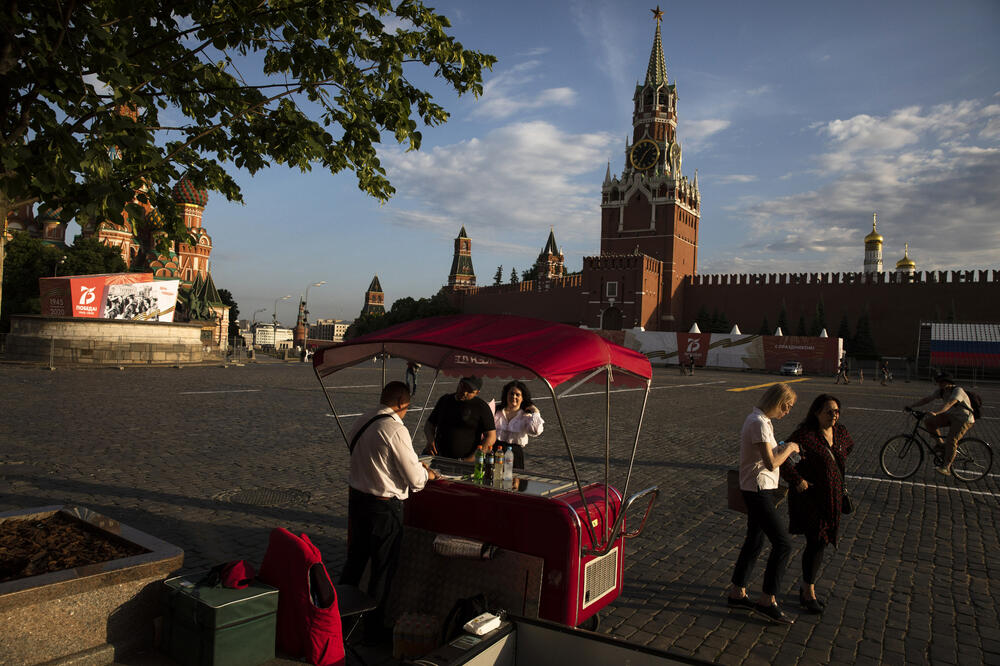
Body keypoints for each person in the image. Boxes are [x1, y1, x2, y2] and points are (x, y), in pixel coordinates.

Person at [339, 381, 437, 644]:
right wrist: (427, 474)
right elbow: (415, 479)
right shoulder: (395, 429)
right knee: (382, 569)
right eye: (407, 407)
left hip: (358, 501)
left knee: (354, 564)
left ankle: (337, 620)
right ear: (402, 403)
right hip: (383, 508)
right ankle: (374, 629)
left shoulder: (362, 419)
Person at [728, 382, 800, 624]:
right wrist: (789, 448)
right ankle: (767, 600)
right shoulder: (758, 423)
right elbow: (770, 463)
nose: (787, 411)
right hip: (758, 489)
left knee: (755, 540)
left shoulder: (762, 421)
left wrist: (782, 447)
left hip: (760, 488)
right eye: (786, 406)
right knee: (783, 544)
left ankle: (737, 592)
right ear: (777, 402)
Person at [780, 394, 855, 614]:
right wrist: (798, 480)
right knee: (816, 540)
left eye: (837, 411)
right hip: (811, 498)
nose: (834, 415)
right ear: (816, 412)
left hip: (832, 497)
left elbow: (847, 448)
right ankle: (808, 591)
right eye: (829, 411)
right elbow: (783, 460)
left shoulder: (840, 432)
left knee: (821, 542)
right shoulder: (804, 436)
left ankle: (807, 587)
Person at [908, 372, 975, 475]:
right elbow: (927, 399)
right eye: (938, 382)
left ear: (948, 382)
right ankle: (940, 445)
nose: (938, 384)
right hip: (951, 416)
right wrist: (911, 406)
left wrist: (936, 413)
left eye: (941, 382)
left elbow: (949, 403)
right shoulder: (941, 391)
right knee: (929, 421)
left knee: (951, 440)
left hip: (963, 419)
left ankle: (946, 467)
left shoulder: (958, 391)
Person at [423, 375, 496, 461]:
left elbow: (491, 437)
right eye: (463, 386)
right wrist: (430, 440)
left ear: (477, 393)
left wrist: (472, 458)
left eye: (470, 391)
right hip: (438, 457)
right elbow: (429, 424)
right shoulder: (445, 400)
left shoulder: (481, 407)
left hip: (465, 461)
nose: (465, 392)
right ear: (459, 383)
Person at [493, 380, 544, 469]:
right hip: (495, 451)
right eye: (511, 394)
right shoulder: (496, 412)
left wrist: (535, 412)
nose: (514, 397)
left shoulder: (526, 416)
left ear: (522, 398)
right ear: (506, 395)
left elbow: (535, 431)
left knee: (513, 478)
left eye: (517, 395)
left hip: (514, 454)